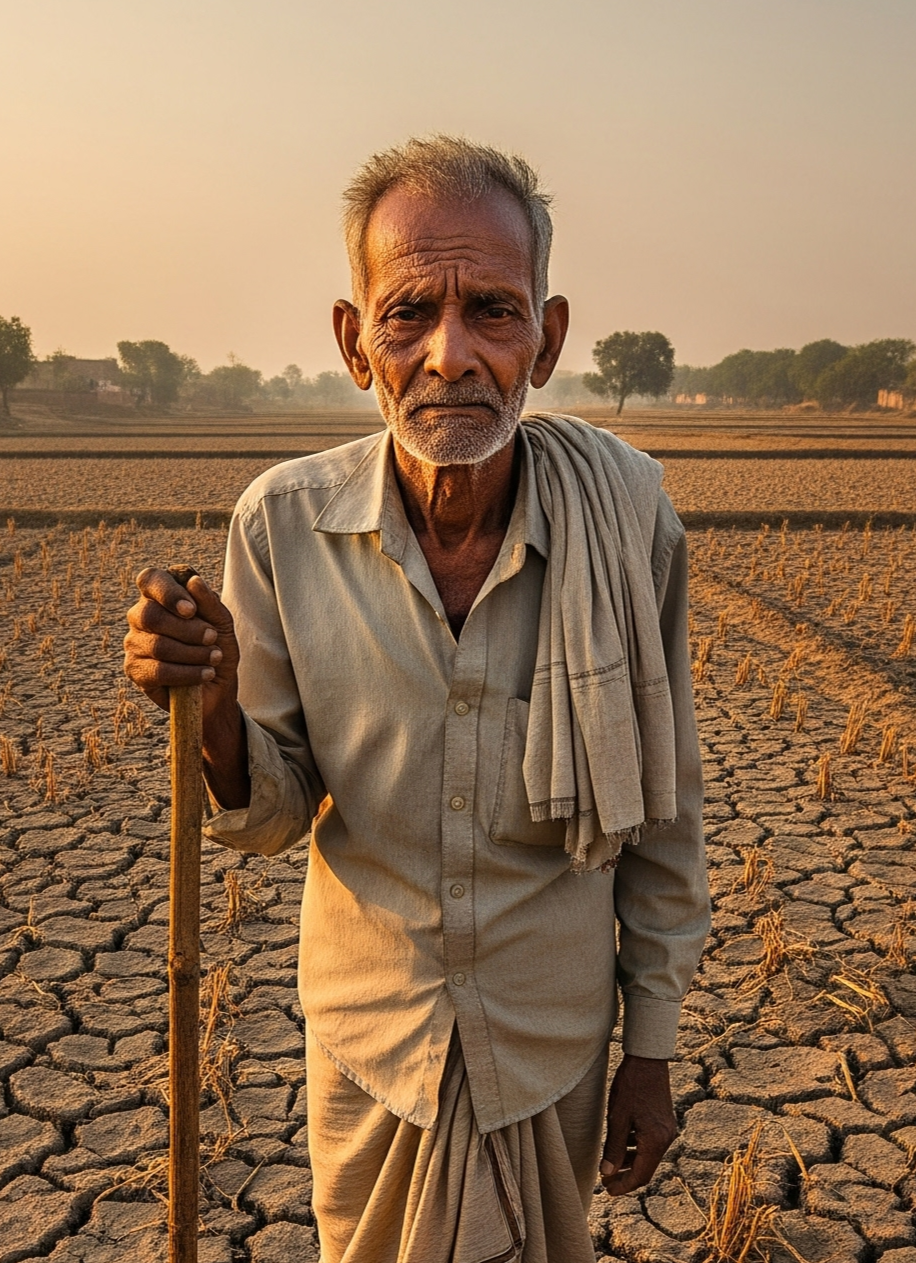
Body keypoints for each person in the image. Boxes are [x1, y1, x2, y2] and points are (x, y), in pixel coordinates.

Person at [126, 136, 709, 1263]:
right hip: (372, 1043)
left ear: (547, 338)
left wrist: (655, 1050)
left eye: (493, 310)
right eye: (409, 316)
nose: (451, 355)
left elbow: (665, 800)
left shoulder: (627, 519)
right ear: (355, 343)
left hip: (552, 1035)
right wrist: (206, 706)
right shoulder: (283, 526)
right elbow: (277, 809)